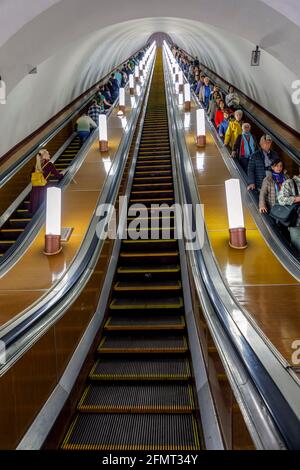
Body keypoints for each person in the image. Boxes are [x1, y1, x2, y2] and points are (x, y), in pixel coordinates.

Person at [30, 149, 63, 214]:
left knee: (36, 211)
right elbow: (58, 176)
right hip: (44, 189)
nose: (49, 155)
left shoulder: (35, 166)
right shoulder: (49, 164)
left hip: (35, 191)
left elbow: (30, 177)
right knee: (44, 210)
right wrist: (63, 174)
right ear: (44, 156)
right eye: (48, 154)